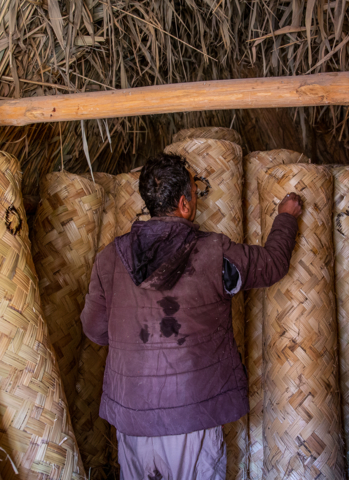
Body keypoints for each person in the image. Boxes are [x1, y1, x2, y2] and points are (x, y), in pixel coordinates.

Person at [81, 153, 303, 479]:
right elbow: (271, 265)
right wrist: (286, 217)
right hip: (193, 415)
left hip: (133, 418)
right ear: (185, 204)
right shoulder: (215, 252)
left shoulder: (110, 257)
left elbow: (95, 329)